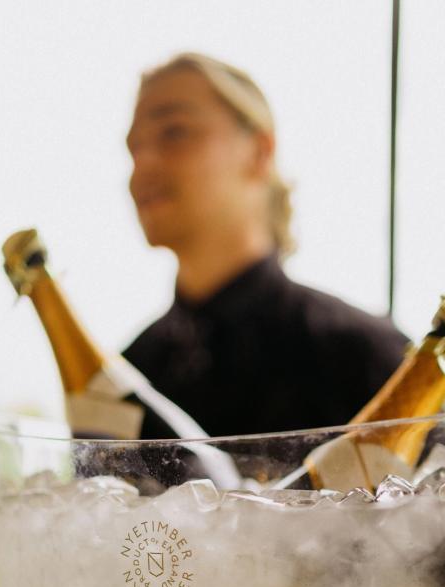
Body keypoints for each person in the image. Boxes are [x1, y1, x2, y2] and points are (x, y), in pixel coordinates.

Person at [123, 52, 407, 438]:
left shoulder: (367, 358)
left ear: (260, 152)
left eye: (174, 132)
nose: (142, 166)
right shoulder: (131, 374)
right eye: (133, 148)